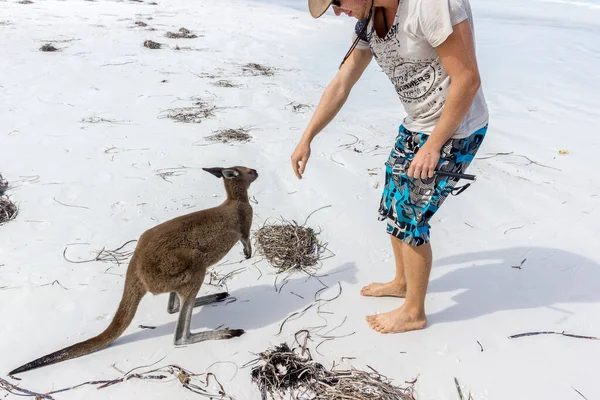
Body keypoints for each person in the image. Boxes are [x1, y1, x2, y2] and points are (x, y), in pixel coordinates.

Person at [290, 0, 489, 334]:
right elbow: (342, 82)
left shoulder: (431, 5)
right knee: (393, 204)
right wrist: (307, 137)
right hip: (417, 124)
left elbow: (467, 80)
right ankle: (401, 282)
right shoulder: (371, 19)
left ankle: (414, 312)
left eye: (337, 1)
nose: (337, 11)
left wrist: (434, 145)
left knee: (411, 217)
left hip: (454, 130)